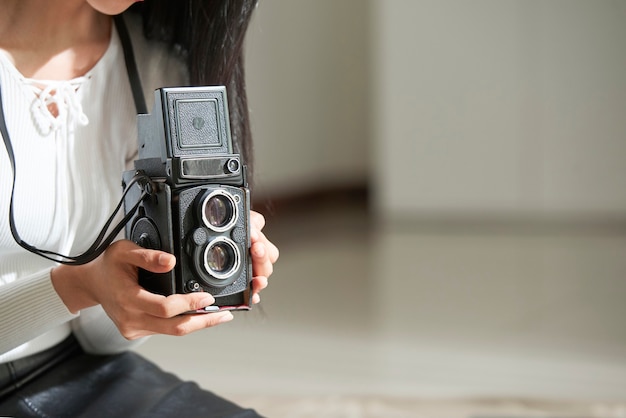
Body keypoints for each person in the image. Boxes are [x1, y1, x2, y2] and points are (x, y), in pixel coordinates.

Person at [0, 0, 279, 416]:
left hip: (73, 368)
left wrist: (147, 287)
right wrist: (77, 286)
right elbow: (81, 289)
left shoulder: (157, 73)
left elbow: (101, 341)